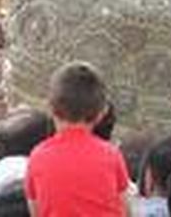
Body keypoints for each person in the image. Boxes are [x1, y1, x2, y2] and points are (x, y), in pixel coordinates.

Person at [23, 62, 131, 215]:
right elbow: (126, 210)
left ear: (51, 108)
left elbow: (36, 212)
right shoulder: (111, 155)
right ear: (102, 112)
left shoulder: (37, 156)